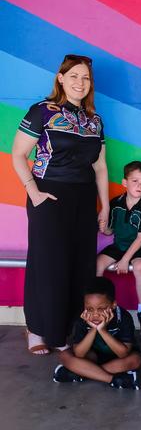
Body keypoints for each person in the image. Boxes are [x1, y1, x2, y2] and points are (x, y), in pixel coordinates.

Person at [11, 54, 109, 354]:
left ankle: (69, 329)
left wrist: (104, 206)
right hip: (49, 195)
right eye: (75, 76)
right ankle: (38, 329)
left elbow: (101, 167)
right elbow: (18, 155)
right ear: (61, 78)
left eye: (86, 78)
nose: (80, 82)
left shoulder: (94, 120)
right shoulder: (41, 111)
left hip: (84, 196)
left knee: (80, 264)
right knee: (48, 263)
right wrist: (34, 192)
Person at [97, 161, 141, 335]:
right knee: (97, 264)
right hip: (120, 246)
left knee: (139, 266)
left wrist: (125, 260)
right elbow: (111, 231)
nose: (140, 185)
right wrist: (105, 229)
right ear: (125, 182)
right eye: (135, 181)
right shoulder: (115, 203)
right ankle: (101, 308)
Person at [53, 277, 141, 390]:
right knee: (64, 355)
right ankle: (112, 379)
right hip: (91, 357)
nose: (95, 314)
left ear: (113, 305)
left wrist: (102, 330)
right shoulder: (82, 318)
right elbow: (79, 354)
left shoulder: (123, 317)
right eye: (90, 309)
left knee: (135, 360)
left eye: (101, 309)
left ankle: (82, 372)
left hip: (116, 359)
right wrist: (94, 329)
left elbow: (122, 354)